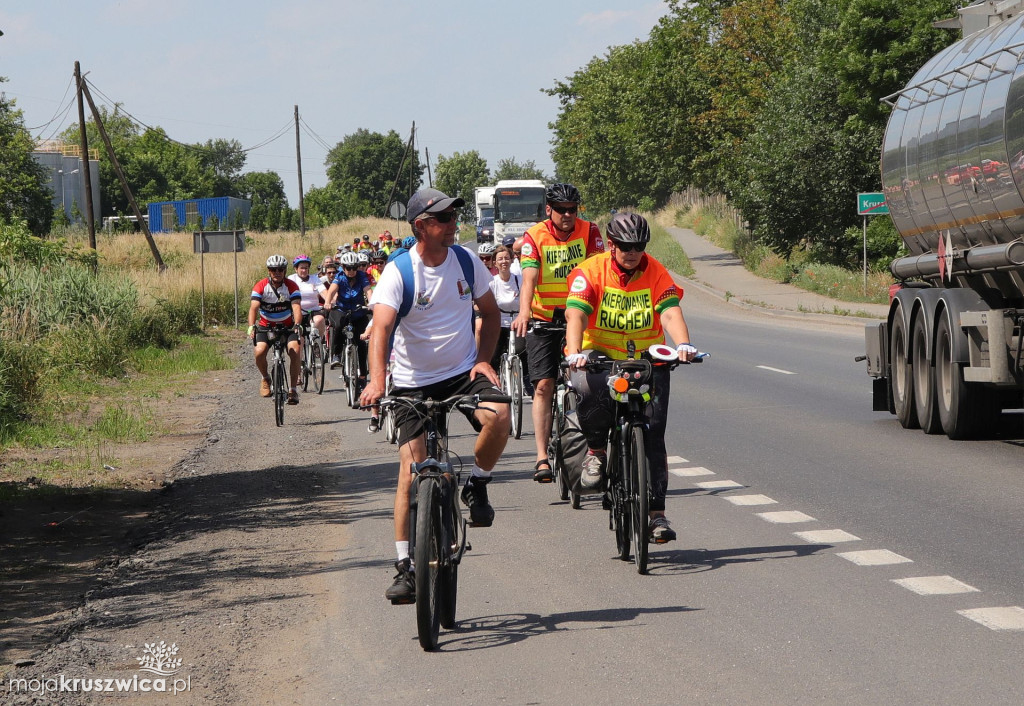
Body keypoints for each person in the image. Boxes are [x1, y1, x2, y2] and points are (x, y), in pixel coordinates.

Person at [359, 187, 510, 604]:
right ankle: (406, 567)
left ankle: (477, 483)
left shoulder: (465, 261)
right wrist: (376, 381)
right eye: (443, 220)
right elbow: (383, 330)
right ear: (421, 226)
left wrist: (483, 359)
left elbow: (492, 313)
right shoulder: (399, 272)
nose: (452, 226)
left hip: (462, 372)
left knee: (499, 416)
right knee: (410, 474)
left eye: (453, 219)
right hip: (412, 382)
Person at [563, 212, 697, 543]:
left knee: (652, 433)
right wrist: (575, 351)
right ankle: (595, 451)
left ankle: (656, 515)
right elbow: (576, 313)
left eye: (639, 246)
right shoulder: (590, 272)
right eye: (626, 246)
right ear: (611, 245)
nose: (633, 252)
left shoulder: (655, 271)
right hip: (601, 355)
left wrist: (683, 344)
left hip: (646, 356)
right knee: (587, 387)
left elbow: (669, 310)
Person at [510, 183, 604, 482]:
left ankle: (594, 450)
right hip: (543, 318)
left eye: (572, 210)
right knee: (542, 386)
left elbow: (600, 271)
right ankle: (540, 457)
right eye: (561, 210)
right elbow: (529, 278)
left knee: (589, 382)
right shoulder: (534, 236)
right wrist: (524, 311)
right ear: (548, 209)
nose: (567, 215)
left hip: (581, 316)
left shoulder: (590, 232)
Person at [248, 254, 303, 405]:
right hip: (266, 326)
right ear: (269, 271)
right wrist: (251, 326)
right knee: (259, 352)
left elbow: (296, 307)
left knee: (295, 350)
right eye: (273, 269)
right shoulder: (261, 286)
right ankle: (265, 378)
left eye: (280, 269)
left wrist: (297, 324)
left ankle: (292, 390)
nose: (277, 272)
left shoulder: (291, 286)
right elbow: (254, 308)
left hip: (287, 327)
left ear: (285, 271)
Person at [325, 252, 373, 379]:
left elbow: (368, 291)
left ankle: (362, 376)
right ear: (343, 267)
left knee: (362, 342)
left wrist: (371, 303)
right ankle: (337, 354)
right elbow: (331, 291)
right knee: (339, 325)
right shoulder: (339, 277)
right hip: (342, 309)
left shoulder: (362, 276)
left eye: (354, 267)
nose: (351, 271)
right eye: (348, 268)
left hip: (358, 311)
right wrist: (327, 303)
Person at [487, 248, 524, 372]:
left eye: (507, 258)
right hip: (500, 323)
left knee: (522, 351)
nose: (504, 261)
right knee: (495, 354)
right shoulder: (492, 283)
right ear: (495, 263)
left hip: (518, 322)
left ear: (512, 260)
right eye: (500, 259)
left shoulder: (520, 280)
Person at [287, 254, 328, 342]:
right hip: (298, 312)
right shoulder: (291, 279)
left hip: (313, 310)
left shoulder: (315, 279)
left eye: (306, 268)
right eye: (302, 268)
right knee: (299, 339)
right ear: (296, 269)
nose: (304, 270)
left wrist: (329, 301)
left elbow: (324, 292)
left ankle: (319, 342)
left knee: (320, 319)